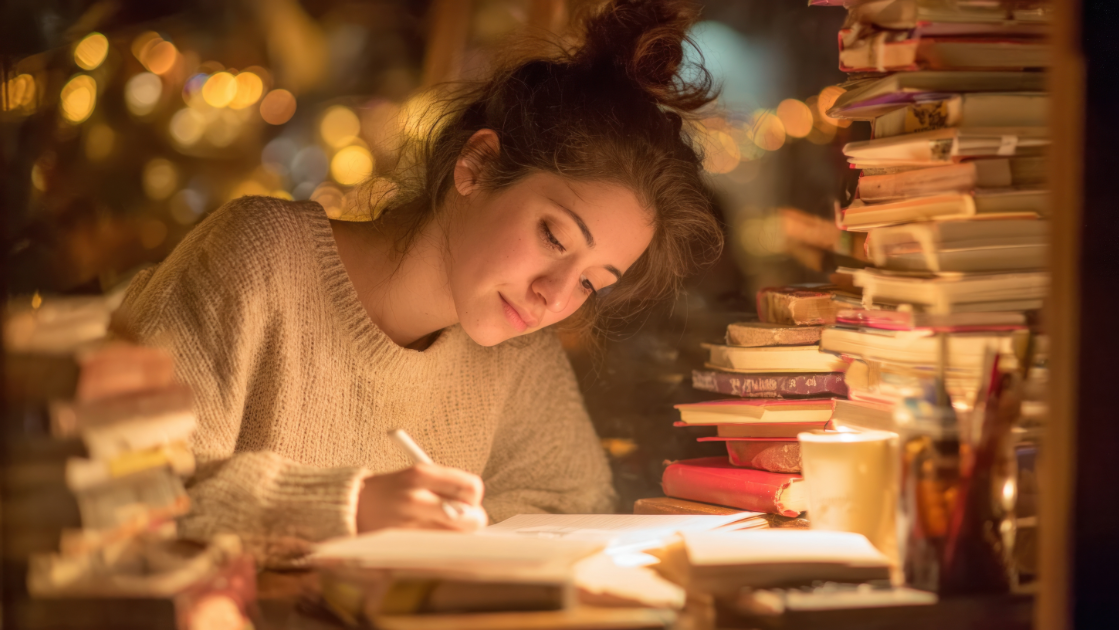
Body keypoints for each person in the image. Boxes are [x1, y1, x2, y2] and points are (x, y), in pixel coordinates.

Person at [110, 0, 722, 567]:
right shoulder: (261, 257)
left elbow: (570, 512)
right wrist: (347, 509)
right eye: (555, 238)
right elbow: (123, 486)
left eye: (592, 282)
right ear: (477, 165)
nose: (554, 297)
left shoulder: (517, 351)